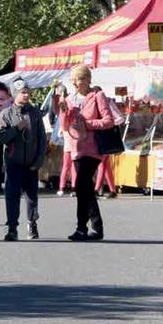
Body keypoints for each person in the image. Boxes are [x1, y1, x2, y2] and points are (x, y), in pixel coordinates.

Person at [58, 65, 116, 241]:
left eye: (80, 79)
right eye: (74, 80)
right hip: (76, 147)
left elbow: (108, 121)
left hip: (93, 148)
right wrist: (63, 111)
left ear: (88, 79)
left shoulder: (98, 96)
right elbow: (64, 126)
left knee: (83, 184)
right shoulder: (70, 99)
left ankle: (85, 227)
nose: (76, 83)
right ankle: (92, 228)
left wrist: (87, 124)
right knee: (84, 188)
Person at [0, 81, 46, 240]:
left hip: (31, 163)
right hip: (13, 163)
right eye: (22, 92)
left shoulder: (35, 113)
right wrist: (16, 128)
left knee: (32, 196)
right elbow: (0, 137)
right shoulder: (6, 114)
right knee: (12, 196)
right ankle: (12, 228)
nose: (26, 95)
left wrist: (38, 160)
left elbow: (42, 138)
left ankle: (32, 222)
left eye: (27, 92)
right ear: (14, 94)